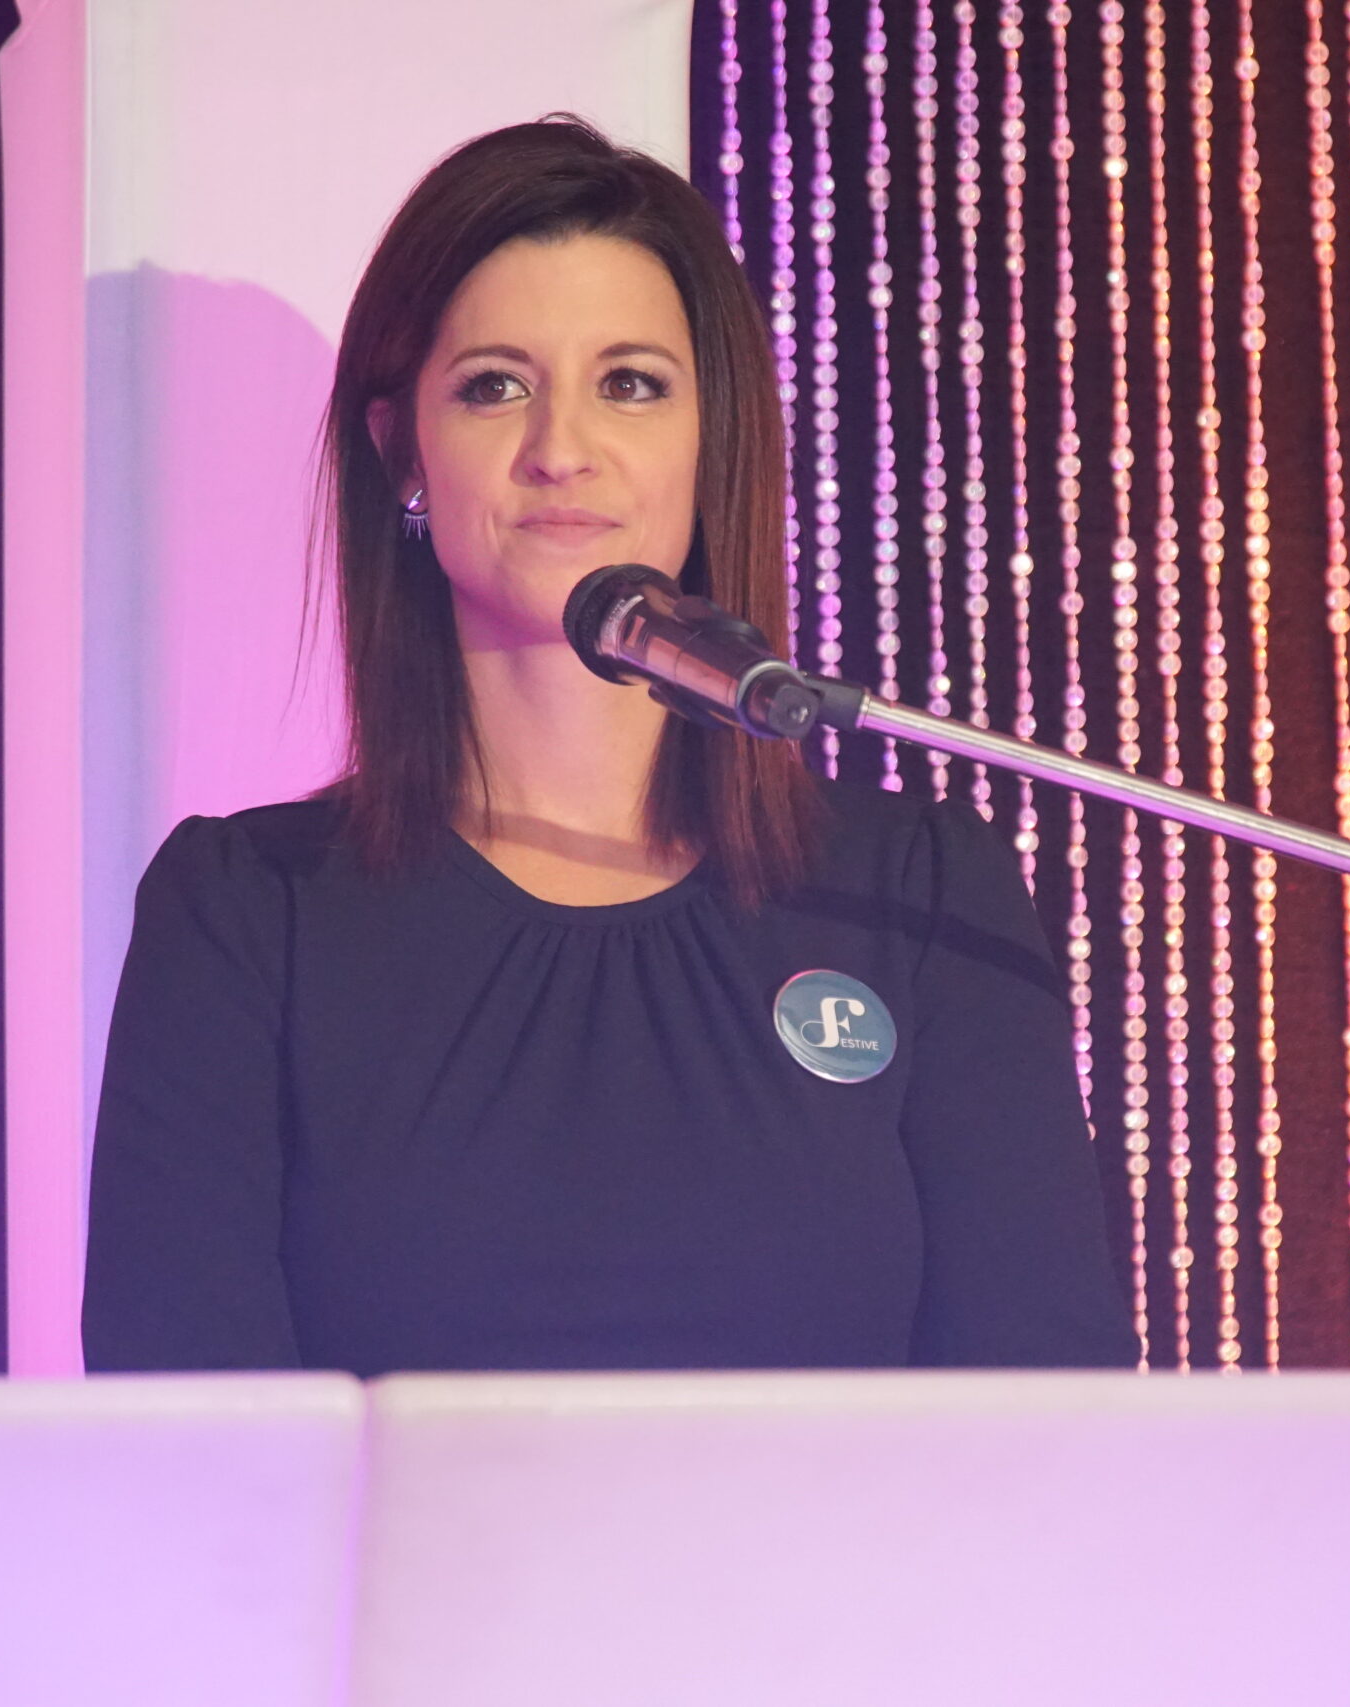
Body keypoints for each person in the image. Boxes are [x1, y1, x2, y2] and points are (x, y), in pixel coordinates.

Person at [81, 118, 1132, 1376]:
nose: (561, 450)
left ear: (709, 435)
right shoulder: (248, 913)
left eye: (629, 383)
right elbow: (189, 1438)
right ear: (400, 451)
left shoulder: (917, 894)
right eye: (495, 385)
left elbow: (1045, 1414)